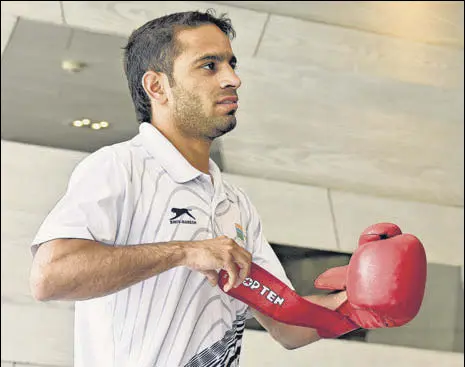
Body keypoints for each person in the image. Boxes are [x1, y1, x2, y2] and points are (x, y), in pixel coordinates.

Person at [28, 9, 363, 367]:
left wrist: (366, 301)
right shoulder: (120, 167)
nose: (233, 79)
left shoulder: (235, 204)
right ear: (157, 86)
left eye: (231, 64)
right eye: (209, 66)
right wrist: (184, 252)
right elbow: (50, 277)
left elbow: (288, 326)